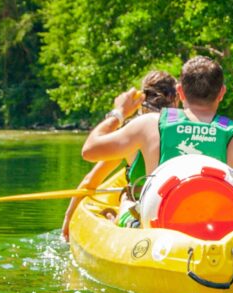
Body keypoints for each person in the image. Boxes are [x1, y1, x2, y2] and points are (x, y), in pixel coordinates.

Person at [80, 56, 233, 213]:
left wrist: (119, 113)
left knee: (126, 200)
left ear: (180, 92)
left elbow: (89, 151)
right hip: (222, 231)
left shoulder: (148, 124)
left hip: (161, 229)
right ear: (222, 92)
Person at [62, 70, 179, 240]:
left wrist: (68, 218)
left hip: (145, 216)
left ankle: (115, 220)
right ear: (177, 98)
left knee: (125, 196)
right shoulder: (190, 131)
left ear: (141, 99)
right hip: (178, 211)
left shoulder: (133, 135)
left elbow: (90, 181)